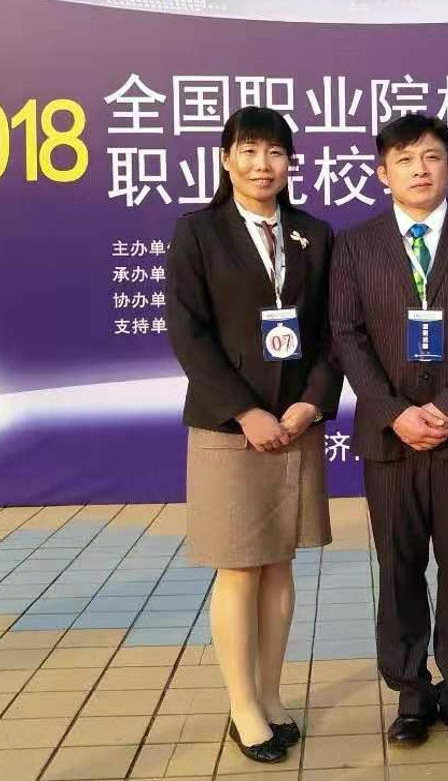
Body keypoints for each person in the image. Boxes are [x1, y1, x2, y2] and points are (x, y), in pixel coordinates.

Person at [330, 113, 448, 748]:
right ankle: (411, 695)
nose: (420, 169)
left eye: (433, 156)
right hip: (390, 441)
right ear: (381, 173)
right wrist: (393, 411)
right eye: (405, 159)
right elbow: (346, 335)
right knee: (399, 570)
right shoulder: (354, 245)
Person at [166, 106, 342, 764]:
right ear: (225, 159)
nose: (261, 165)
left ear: (290, 163)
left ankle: (270, 694)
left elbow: (333, 332)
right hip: (229, 427)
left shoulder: (313, 234)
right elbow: (188, 332)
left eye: (274, 152)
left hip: (295, 423)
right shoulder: (198, 232)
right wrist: (245, 411)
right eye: (248, 150)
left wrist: (310, 404)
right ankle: (242, 707)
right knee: (239, 567)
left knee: (279, 563)